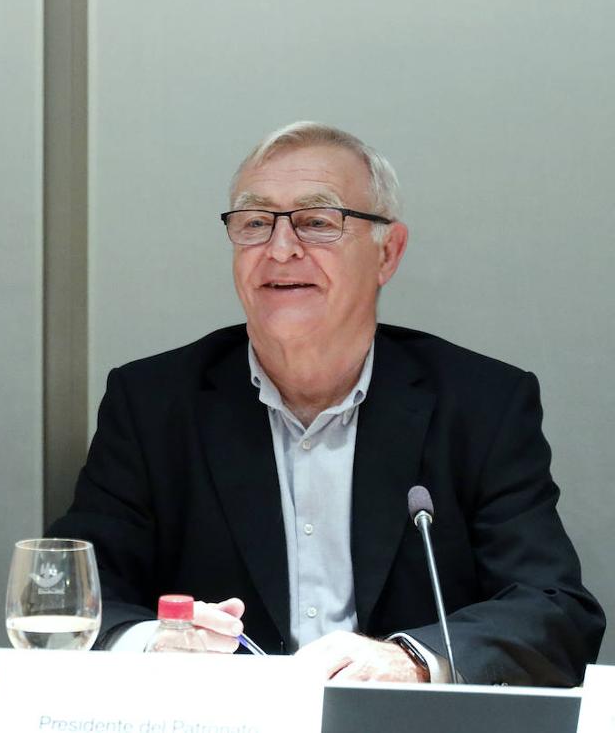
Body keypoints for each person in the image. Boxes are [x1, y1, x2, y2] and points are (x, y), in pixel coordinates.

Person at [49, 122, 604, 685]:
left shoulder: (481, 404)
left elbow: (551, 607)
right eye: (255, 223)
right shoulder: (153, 403)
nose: (281, 249)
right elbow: (75, 593)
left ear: (388, 252)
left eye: (317, 222)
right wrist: (152, 643)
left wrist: (413, 659)